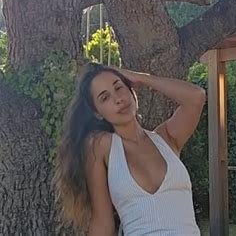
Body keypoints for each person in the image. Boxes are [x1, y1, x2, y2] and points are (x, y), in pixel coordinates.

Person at [55, 63, 206, 235]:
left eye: (119, 88)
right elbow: (103, 224)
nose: (118, 99)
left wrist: (141, 78)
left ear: (131, 90)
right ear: (97, 113)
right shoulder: (101, 146)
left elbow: (196, 97)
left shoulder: (166, 138)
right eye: (105, 98)